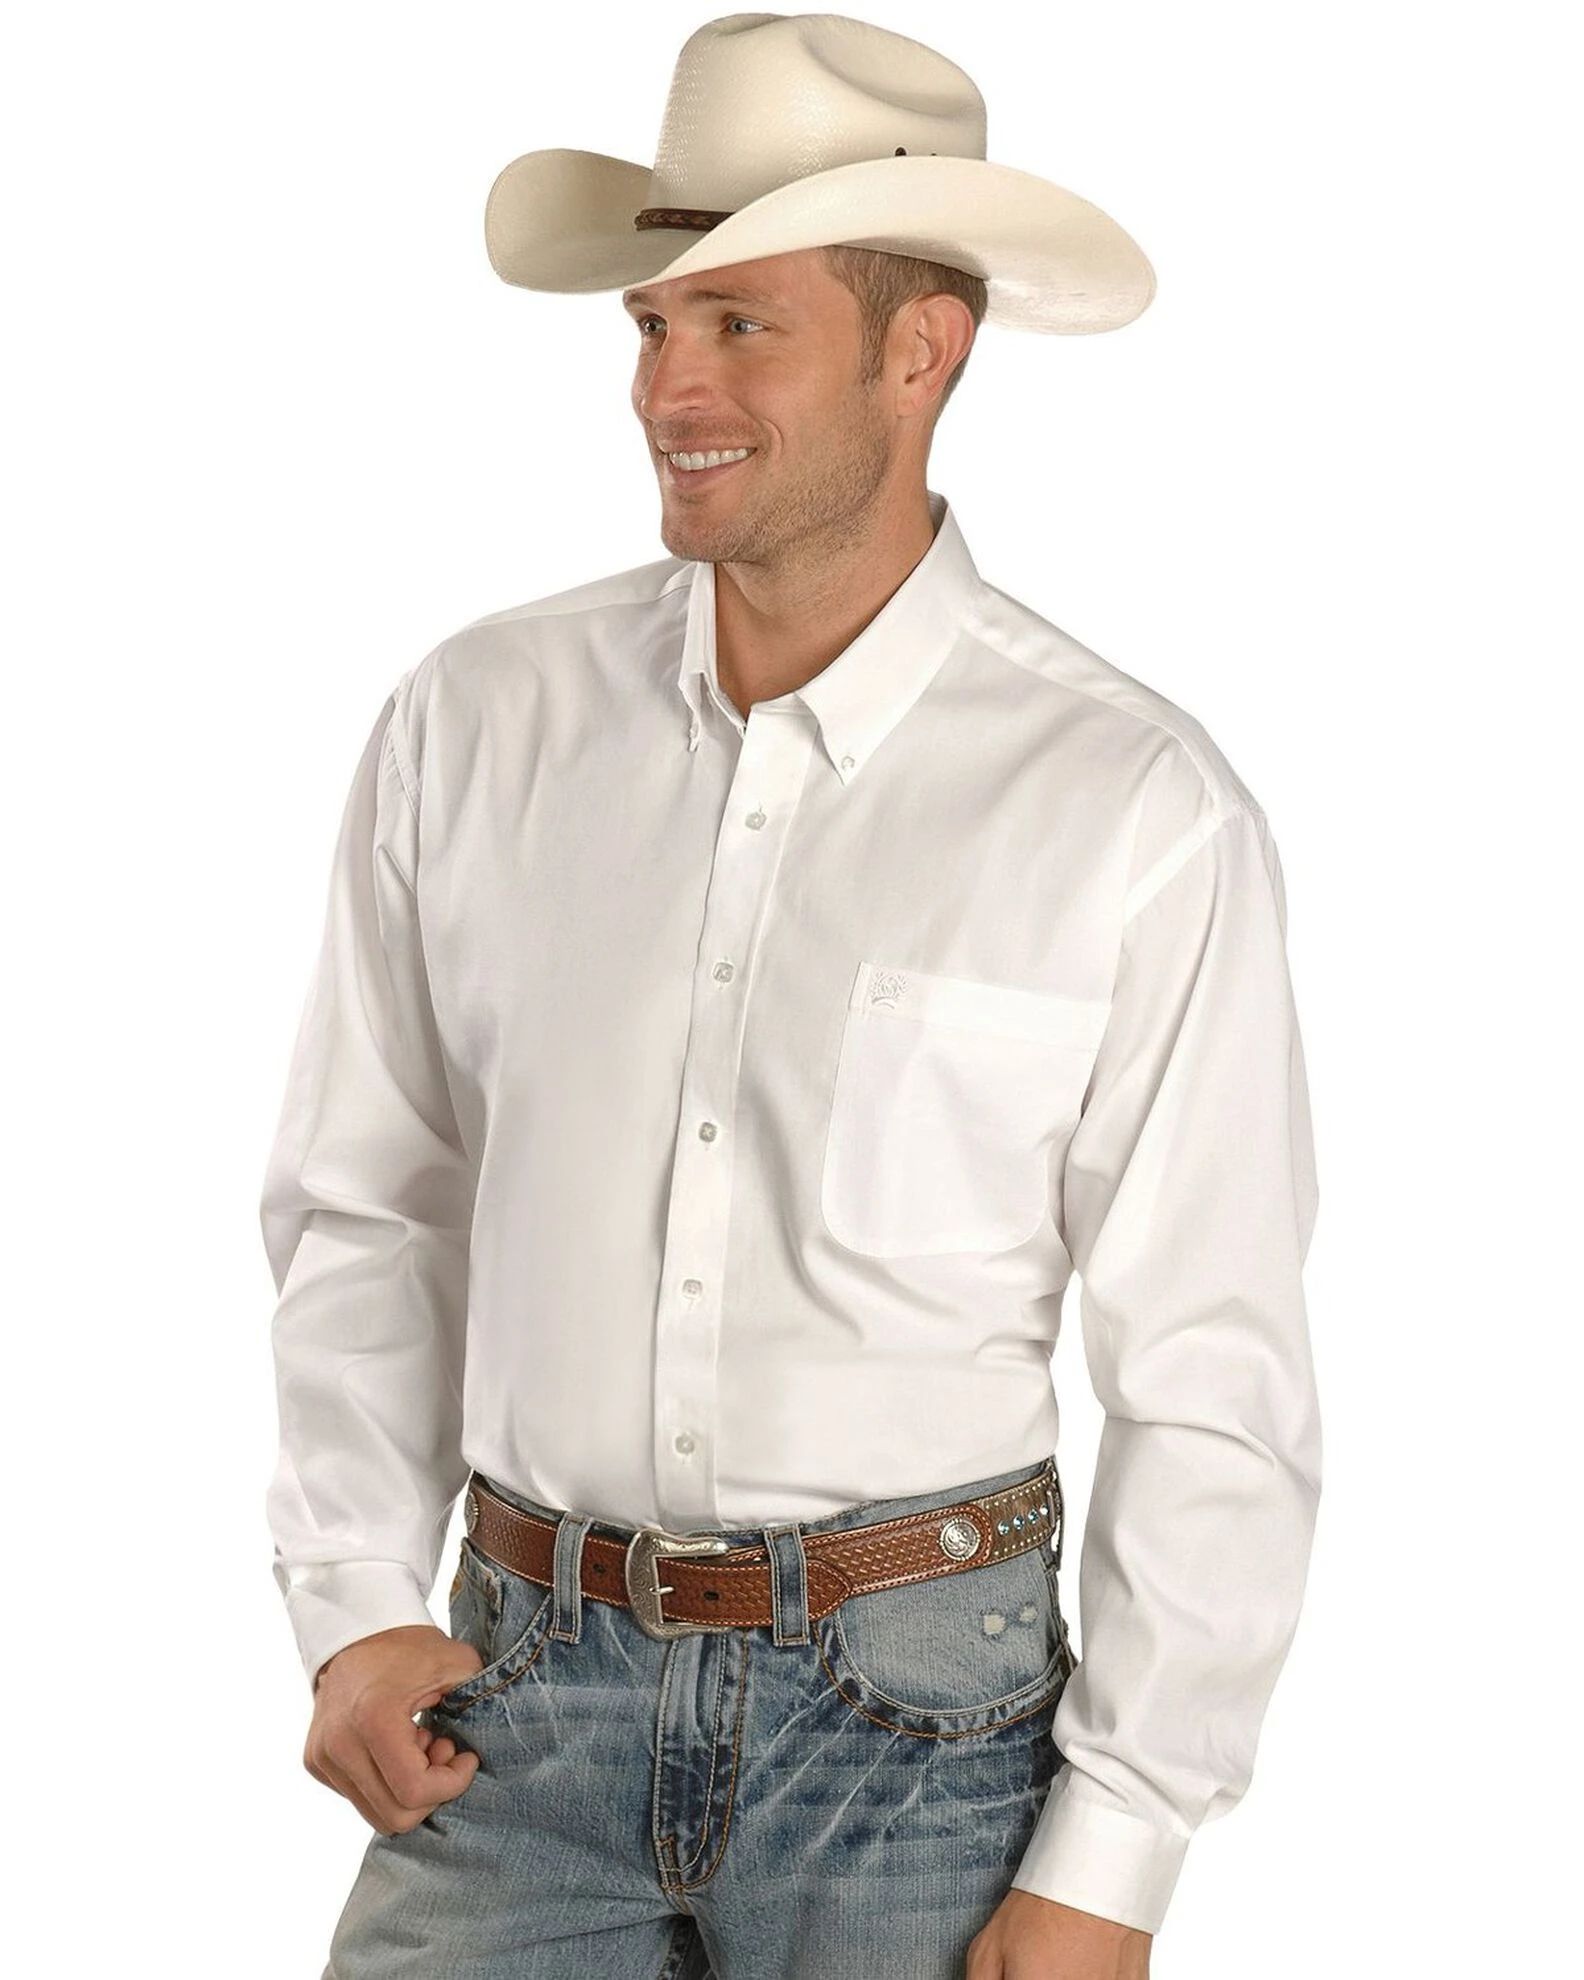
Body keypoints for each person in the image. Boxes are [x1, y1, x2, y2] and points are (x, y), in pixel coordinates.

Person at [260, 14, 1321, 1978]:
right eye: (656, 325)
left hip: (921, 1748)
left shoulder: (1127, 807)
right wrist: (351, 1599)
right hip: (511, 1703)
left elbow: (1211, 1370)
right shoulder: (477, 725)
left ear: (924, 353)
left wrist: (1116, 1857)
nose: (672, 388)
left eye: (743, 326)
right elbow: (371, 1201)